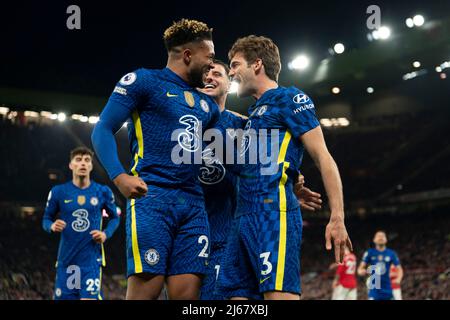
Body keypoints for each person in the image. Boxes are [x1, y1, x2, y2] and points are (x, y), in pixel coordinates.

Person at [91, 19, 220, 300]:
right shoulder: (143, 81)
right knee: (145, 292)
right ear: (188, 55)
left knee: (187, 298)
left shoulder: (207, 106)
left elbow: (227, 148)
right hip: (153, 198)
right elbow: (102, 129)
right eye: (208, 57)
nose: (212, 64)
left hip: (194, 206)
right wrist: (119, 176)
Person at [216, 35, 352, 300]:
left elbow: (323, 157)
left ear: (257, 64)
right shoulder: (255, 114)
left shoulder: (290, 98)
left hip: (271, 215)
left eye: (234, 65)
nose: (231, 72)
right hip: (241, 218)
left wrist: (337, 216)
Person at [197, 60, 322, 299]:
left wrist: (288, 183)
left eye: (218, 74)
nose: (209, 78)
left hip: (231, 236)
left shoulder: (244, 126)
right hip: (190, 236)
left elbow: (275, 161)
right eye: (205, 73)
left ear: (228, 85)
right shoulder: (181, 122)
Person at [42, 147, 120, 300]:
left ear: (91, 166)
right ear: (71, 165)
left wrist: (105, 233)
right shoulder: (58, 192)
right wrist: (51, 226)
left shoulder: (103, 191)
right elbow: (46, 218)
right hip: (66, 260)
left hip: (90, 261)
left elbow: (115, 218)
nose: (83, 163)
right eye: (78, 160)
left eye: (87, 160)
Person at [357, 230, 403, 300]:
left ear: (386, 239)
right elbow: (360, 268)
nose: (380, 237)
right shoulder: (369, 252)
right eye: (378, 236)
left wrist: (398, 279)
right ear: (374, 240)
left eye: (382, 236)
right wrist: (361, 271)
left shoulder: (391, 253)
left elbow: (399, 269)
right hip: (374, 289)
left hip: (387, 288)